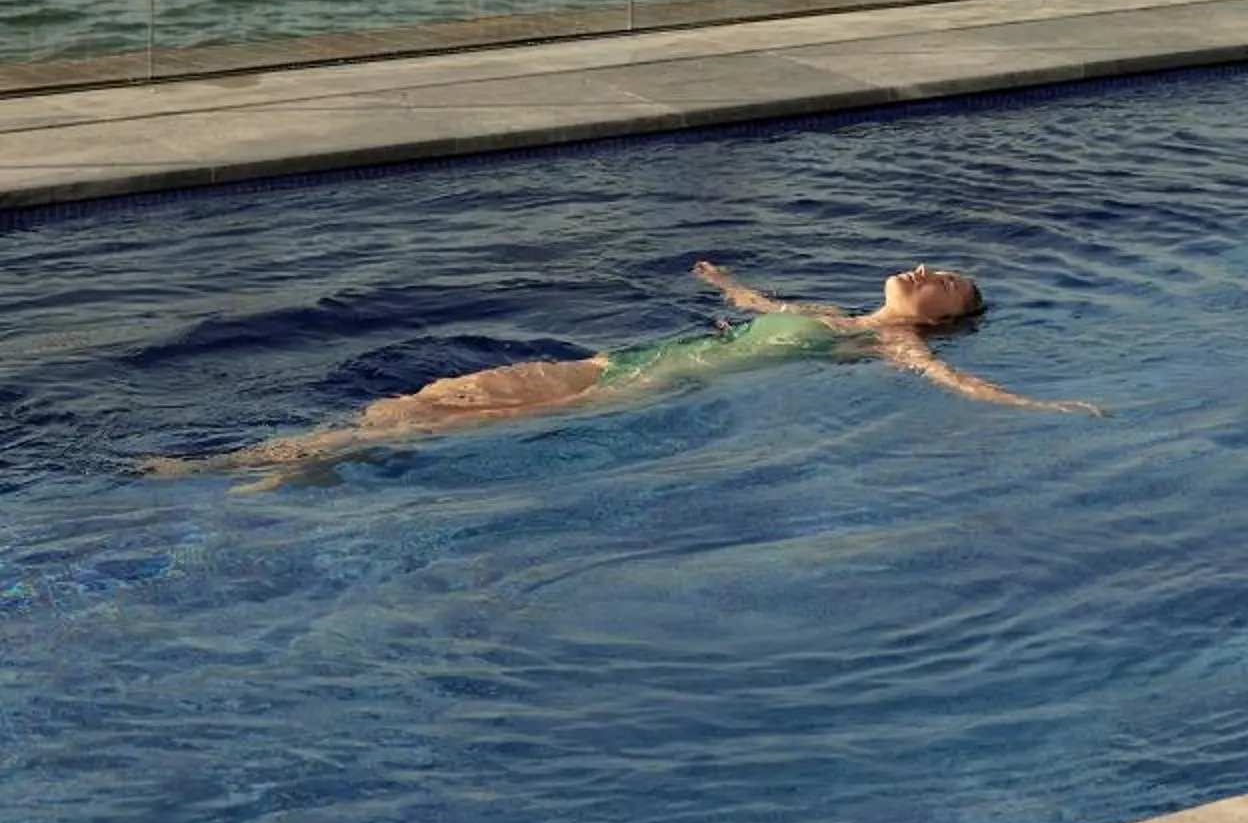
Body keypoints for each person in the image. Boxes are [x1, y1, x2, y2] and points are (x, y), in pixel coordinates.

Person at [144, 260, 1097, 485]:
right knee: (429, 399)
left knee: (436, 421)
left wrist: (1040, 404)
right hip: (619, 361)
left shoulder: (888, 346)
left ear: (945, 322)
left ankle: (257, 461)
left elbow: (957, 387)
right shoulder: (830, 316)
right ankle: (291, 461)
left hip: (650, 386)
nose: (926, 271)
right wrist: (721, 282)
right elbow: (758, 307)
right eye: (931, 266)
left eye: (946, 284)